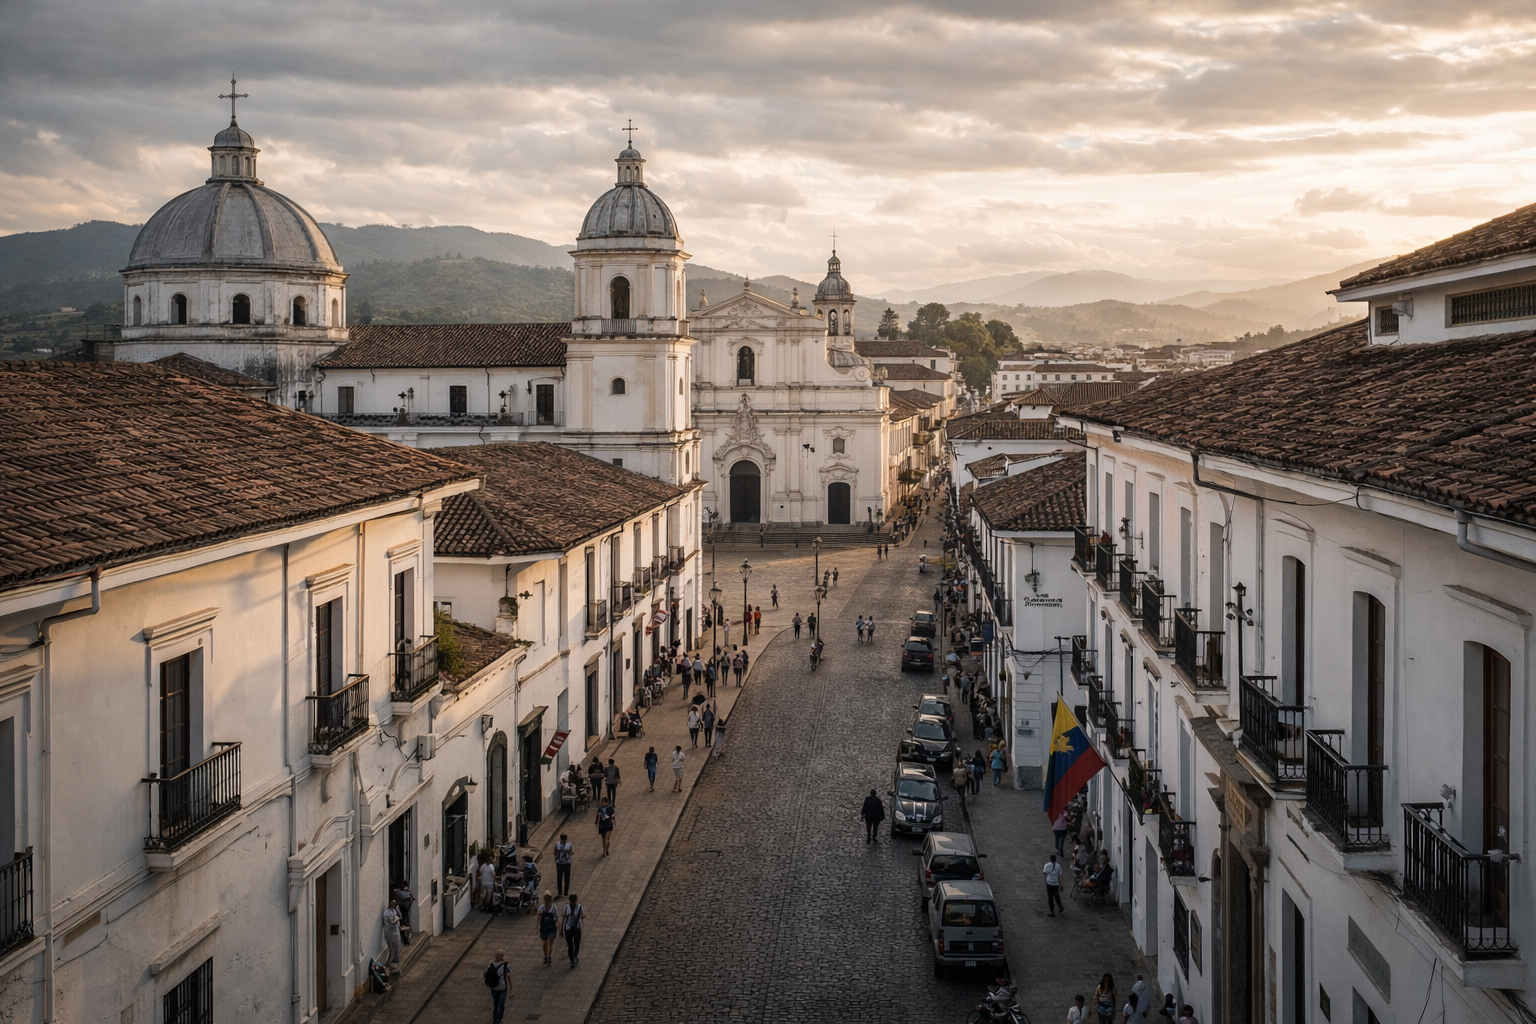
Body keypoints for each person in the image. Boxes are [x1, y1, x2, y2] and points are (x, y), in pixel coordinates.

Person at [487, 950, 512, 1022]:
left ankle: (495, 1020)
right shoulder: (505, 965)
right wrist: (510, 984)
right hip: (503, 987)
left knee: (495, 1004)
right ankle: (499, 1019)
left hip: (494, 987)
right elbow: (508, 975)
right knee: (502, 1004)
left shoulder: (491, 964)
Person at [561, 894, 584, 967]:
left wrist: (581, 926)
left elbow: (581, 917)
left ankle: (574, 956)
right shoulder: (567, 907)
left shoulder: (580, 907)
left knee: (576, 944)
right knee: (570, 945)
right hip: (568, 928)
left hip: (576, 928)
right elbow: (564, 918)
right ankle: (572, 960)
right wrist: (561, 929)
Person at [537, 893, 558, 965]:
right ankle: (549, 956)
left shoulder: (541, 907)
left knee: (545, 943)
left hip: (544, 927)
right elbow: (555, 917)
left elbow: (539, 918)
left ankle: (545, 956)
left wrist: (537, 927)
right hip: (552, 927)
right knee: (551, 943)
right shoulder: (554, 907)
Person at [382, 900, 404, 970]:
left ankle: (395, 962)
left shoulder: (393, 910)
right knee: (393, 949)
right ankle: (391, 963)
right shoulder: (387, 913)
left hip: (395, 932)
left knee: (396, 948)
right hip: (390, 933)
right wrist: (397, 919)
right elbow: (392, 922)